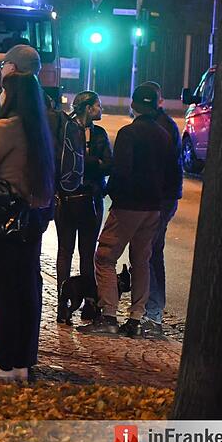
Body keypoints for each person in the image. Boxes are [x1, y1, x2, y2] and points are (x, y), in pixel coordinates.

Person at [0, 72, 55, 382]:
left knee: (3, 291)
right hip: (30, 220)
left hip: (1, 221)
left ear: (10, 95)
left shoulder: (4, 128)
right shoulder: (38, 129)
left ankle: (4, 361)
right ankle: (21, 360)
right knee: (24, 290)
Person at [81, 84, 176, 338]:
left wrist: (111, 193)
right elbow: (170, 174)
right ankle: (136, 318)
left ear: (134, 105)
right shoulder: (164, 135)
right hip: (153, 208)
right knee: (141, 261)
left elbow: (121, 171)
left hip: (128, 206)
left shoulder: (129, 133)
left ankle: (108, 316)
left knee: (105, 257)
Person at [54, 91, 112, 321]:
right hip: (69, 198)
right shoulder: (67, 131)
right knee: (66, 251)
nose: (101, 109)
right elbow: (63, 163)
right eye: (98, 105)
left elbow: (109, 165)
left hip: (90, 198)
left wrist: (83, 162)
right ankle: (63, 303)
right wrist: (92, 161)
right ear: (88, 108)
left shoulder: (99, 133)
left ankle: (89, 302)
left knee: (86, 253)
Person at [143, 81, 183, 337]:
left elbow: (159, 166)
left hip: (161, 198)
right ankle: (152, 309)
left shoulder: (162, 127)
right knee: (152, 251)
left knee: (149, 251)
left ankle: (154, 312)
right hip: (163, 196)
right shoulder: (163, 124)